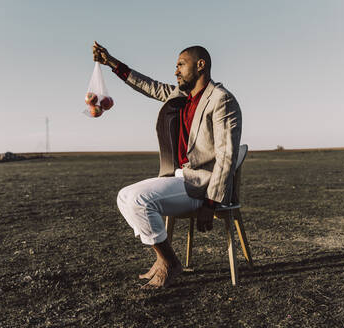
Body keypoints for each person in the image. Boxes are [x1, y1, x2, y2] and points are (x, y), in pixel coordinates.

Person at [91, 41, 242, 288]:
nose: (176, 71)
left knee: (139, 200)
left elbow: (227, 157)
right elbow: (149, 86)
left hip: (202, 185)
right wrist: (112, 63)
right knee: (123, 196)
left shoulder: (221, 100)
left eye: (181, 65)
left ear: (200, 65)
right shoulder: (181, 96)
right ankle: (163, 258)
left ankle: (170, 262)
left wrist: (211, 203)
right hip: (178, 178)